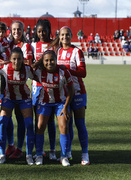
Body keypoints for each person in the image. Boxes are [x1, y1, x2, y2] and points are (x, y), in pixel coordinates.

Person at [0, 47, 35, 165]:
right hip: (9, 99)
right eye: (14, 59)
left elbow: (39, 77)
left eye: (19, 59)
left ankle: (28, 155)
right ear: (10, 59)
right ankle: (2, 155)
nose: (16, 62)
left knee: (29, 125)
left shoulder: (27, 69)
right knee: (2, 124)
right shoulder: (5, 68)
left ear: (23, 59)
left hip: (24, 99)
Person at [50, 26, 90, 166]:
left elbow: (83, 73)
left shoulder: (77, 51)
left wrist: (68, 70)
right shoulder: (57, 51)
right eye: (62, 35)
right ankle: (67, 153)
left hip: (78, 92)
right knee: (66, 124)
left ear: (71, 35)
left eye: (67, 34)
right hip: (63, 94)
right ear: (59, 37)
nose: (65, 37)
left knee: (80, 124)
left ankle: (85, 154)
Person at [33, 50, 74, 166]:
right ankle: (39, 155)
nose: (49, 62)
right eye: (46, 60)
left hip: (60, 103)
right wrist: (37, 63)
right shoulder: (39, 71)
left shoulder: (63, 71)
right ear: (43, 61)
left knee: (64, 126)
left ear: (56, 60)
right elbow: (27, 68)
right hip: (44, 102)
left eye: (52, 60)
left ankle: (64, 156)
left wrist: (66, 107)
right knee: (40, 126)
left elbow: (71, 90)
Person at [5, 20, 34, 160]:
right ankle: (10, 144)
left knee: (20, 118)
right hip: (7, 85)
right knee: (7, 117)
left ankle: (20, 148)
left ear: (23, 31)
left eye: (19, 29)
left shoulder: (27, 46)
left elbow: (27, 63)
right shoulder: (8, 44)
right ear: (11, 31)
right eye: (14, 29)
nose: (16, 32)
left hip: (20, 85)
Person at [31, 18, 57, 160]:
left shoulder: (55, 45)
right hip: (37, 87)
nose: (41, 34)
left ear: (49, 30)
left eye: (44, 31)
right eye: (39, 31)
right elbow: (32, 66)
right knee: (38, 121)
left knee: (51, 120)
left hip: (51, 87)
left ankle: (52, 150)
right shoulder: (33, 45)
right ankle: (39, 150)